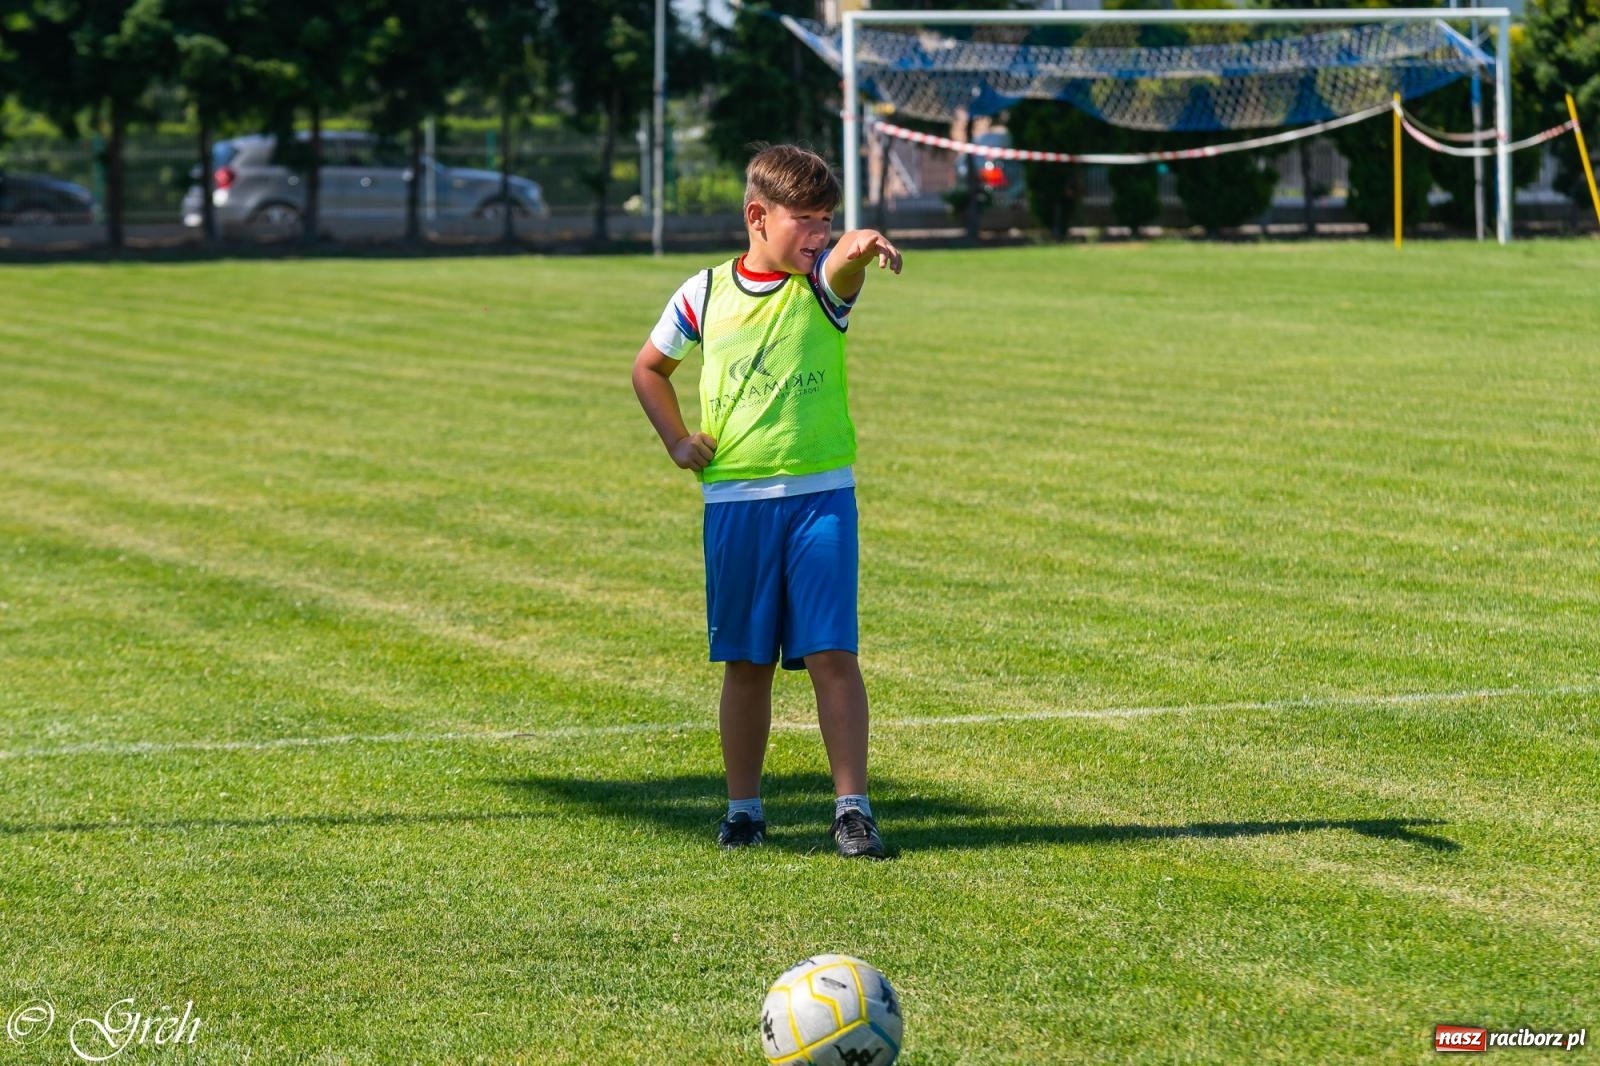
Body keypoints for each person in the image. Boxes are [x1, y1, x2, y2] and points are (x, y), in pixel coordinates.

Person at [631, 144, 903, 859]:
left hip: (821, 499)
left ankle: (852, 809)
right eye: (803, 220)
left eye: (826, 220)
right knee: (746, 663)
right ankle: (744, 810)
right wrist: (675, 440)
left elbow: (843, 263)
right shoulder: (705, 293)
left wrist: (858, 244)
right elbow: (650, 368)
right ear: (758, 216)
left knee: (832, 654)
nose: (817, 234)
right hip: (737, 503)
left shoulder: (821, 284)